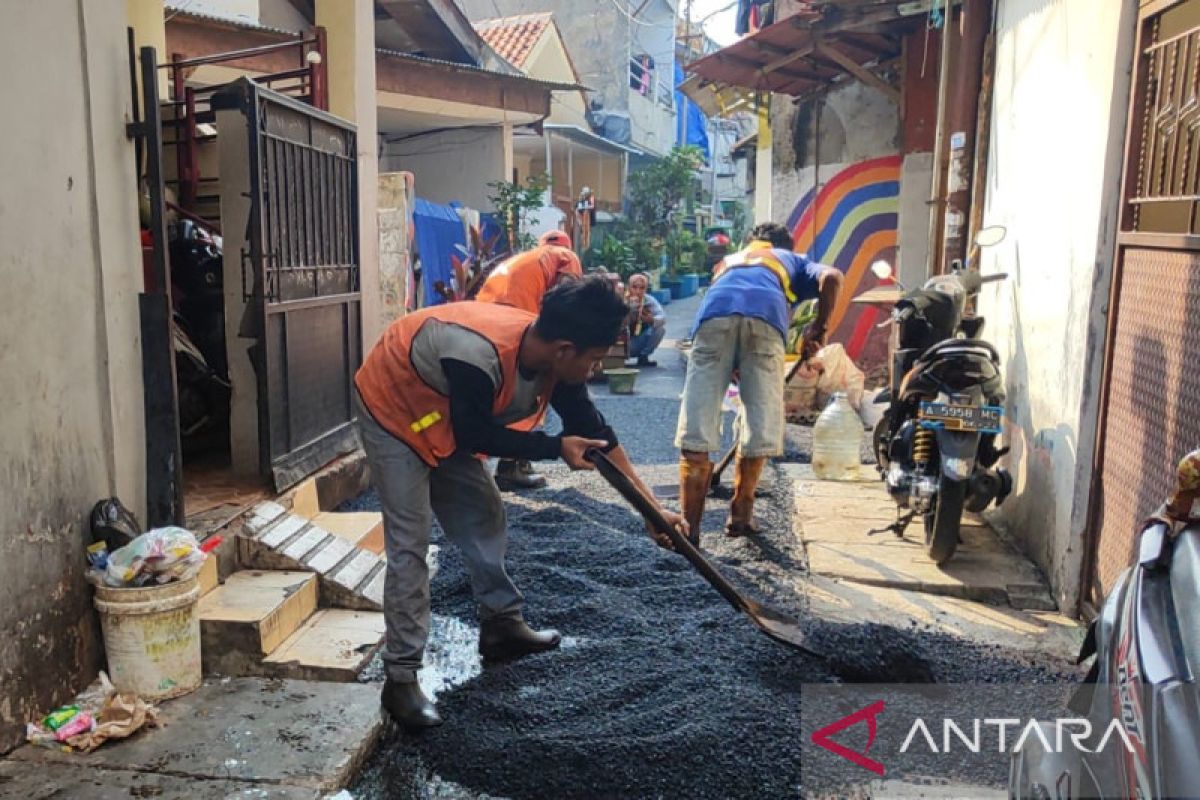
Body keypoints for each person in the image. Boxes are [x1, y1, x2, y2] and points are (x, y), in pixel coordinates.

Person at [355, 276, 686, 729]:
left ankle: (501, 627)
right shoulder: (476, 354)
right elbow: (474, 435)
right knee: (410, 542)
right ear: (565, 349)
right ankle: (401, 680)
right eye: (592, 360)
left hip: (445, 411)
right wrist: (554, 448)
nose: (592, 371)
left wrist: (652, 511)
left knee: (485, 512)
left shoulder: (558, 364)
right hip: (395, 406)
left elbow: (599, 438)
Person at [675, 222, 843, 543]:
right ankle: (740, 515)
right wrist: (819, 329)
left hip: (712, 321)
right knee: (759, 421)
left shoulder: (728, 261)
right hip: (765, 322)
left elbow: (733, 309)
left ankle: (688, 533)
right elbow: (832, 278)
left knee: (697, 426)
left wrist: (735, 358)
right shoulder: (791, 259)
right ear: (785, 245)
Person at [475, 229, 583, 491]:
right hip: (517, 321)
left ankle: (478, 463)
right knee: (526, 390)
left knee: (492, 394)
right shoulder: (565, 255)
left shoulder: (522, 260)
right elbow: (568, 298)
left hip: (480, 323)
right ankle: (512, 466)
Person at [624, 272, 666, 367]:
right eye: (634, 287)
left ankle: (643, 356)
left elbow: (662, 317)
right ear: (629, 287)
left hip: (636, 342)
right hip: (620, 344)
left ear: (646, 289)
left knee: (660, 329)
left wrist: (651, 320)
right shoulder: (622, 299)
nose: (638, 291)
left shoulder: (649, 300)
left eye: (642, 288)